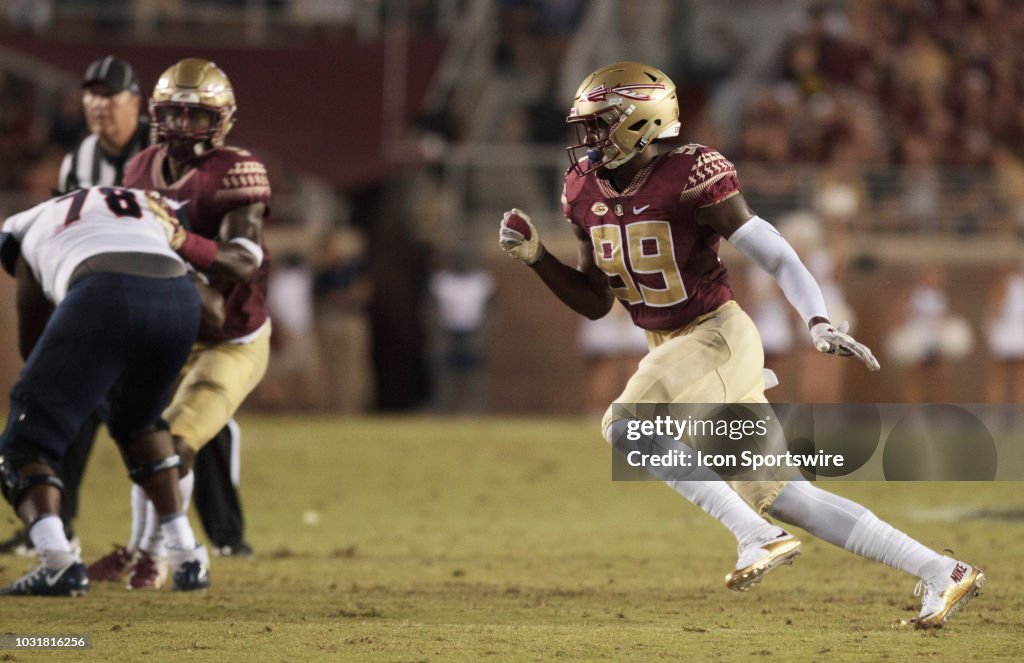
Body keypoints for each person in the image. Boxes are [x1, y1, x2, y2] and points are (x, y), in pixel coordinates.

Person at [498, 61, 983, 628]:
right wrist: (536, 259)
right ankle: (939, 570)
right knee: (787, 495)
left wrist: (817, 319)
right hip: (670, 347)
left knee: (626, 423)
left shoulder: (690, 173)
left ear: (641, 122)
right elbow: (595, 301)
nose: (590, 138)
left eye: (602, 123)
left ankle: (755, 536)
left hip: (717, 336)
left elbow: (777, 252)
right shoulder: (582, 187)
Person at [88, 58, 269, 588]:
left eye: (195, 116)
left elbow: (243, 260)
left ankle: (150, 556)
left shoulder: (238, 170)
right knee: (145, 442)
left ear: (221, 119)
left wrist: (180, 242)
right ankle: (146, 555)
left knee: (176, 448)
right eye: (174, 113)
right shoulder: (141, 166)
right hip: (167, 328)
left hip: (229, 340)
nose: (183, 126)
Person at [0, 186, 212, 595]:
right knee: (141, 423)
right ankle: (187, 555)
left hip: (103, 294)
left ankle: (57, 561)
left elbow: (36, 344)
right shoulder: (144, 202)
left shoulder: (22, 227)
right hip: (181, 297)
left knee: (23, 446)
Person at [0, 56, 152, 558]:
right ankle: (58, 524)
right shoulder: (78, 159)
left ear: (135, 101)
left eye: (109, 95)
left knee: (187, 420)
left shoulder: (160, 149)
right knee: (77, 407)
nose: (99, 105)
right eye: (91, 95)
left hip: (159, 289)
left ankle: (215, 537)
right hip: (102, 296)